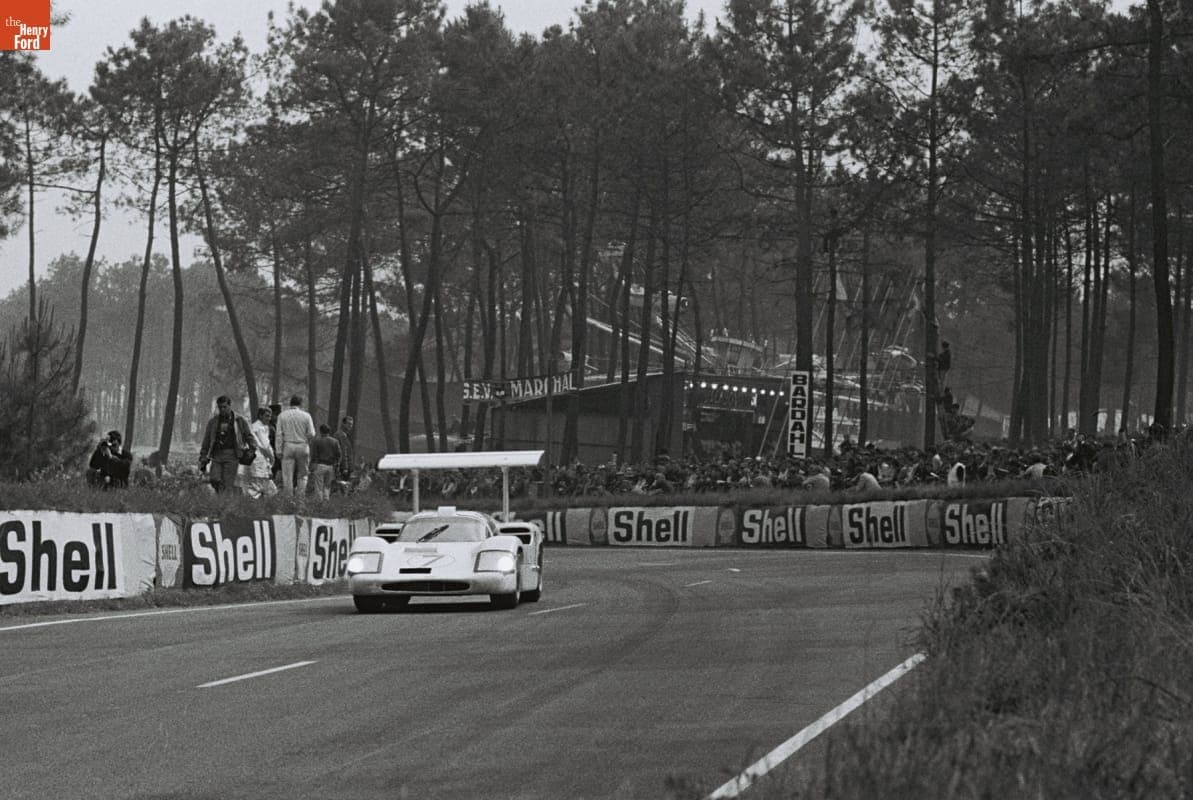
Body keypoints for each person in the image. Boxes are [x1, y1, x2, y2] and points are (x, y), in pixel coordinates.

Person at [198, 396, 253, 493]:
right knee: (214, 479)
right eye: (220, 407)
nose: (222, 409)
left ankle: (225, 500)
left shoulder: (239, 420)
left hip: (232, 455)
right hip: (217, 454)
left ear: (230, 406)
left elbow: (248, 435)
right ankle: (226, 494)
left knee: (228, 482)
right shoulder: (213, 421)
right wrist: (203, 455)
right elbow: (206, 440)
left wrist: (252, 448)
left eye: (224, 407)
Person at [276, 394, 316, 497]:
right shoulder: (306, 416)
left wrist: (278, 450)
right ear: (300, 404)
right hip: (302, 445)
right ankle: (300, 498)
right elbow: (312, 433)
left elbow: (279, 434)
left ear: (290, 403)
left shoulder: (282, 415)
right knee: (303, 475)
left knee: (287, 476)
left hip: (288, 445)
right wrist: (306, 438)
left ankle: (288, 498)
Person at [241, 407, 278, 499]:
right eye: (266, 416)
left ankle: (257, 503)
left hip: (257, 460)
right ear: (260, 416)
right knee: (264, 487)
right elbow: (265, 446)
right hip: (259, 459)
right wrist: (272, 458)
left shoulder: (256, 426)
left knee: (259, 485)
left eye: (270, 416)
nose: (269, 418)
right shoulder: (259, 428)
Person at [310, 422, 342, 501]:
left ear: (320, 431)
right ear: (329, 431)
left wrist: (312, 465)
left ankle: (319, 501)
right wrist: (337, 464)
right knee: (327, 485)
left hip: (320, 465)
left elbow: (314, 455)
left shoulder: (317, 441)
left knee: (319, 485)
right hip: (330, 466)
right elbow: (339, 454)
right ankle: (326, 498)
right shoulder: (335, 441)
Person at [334, 415, 355, 488]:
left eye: (351, 424)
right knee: (341, 487)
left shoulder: (345, 436)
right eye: (348, 424)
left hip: (345, 467)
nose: (350, 426)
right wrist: (345, 467)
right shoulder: (340, 435)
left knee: (344, 487)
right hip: (342, 467)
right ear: (343, 423)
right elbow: (343, 452)